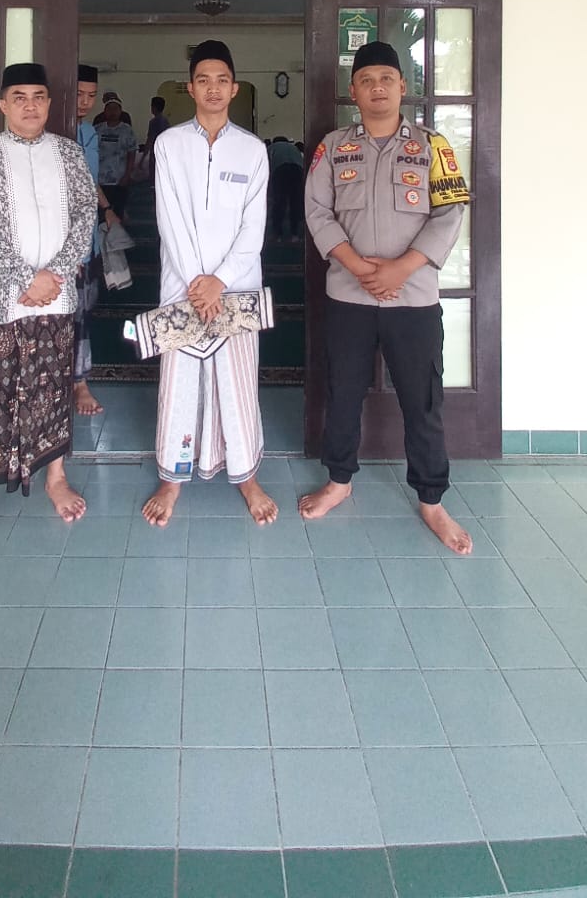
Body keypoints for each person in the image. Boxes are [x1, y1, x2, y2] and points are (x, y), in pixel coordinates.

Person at [301, 40, 473, 555]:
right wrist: (357, 266)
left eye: (386, 79)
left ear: (403, 86)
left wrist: (401, 267)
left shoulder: (432, 146)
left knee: (423, 401)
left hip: (413, 297)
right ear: (353, 91)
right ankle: (339, 481)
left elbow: (450, 212)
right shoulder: (334, 147)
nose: (377, 87)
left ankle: (431, 500)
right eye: (366, 80)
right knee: (343, 392)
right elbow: (317, 210)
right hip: (348, 296)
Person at [0, 63, 97, 545]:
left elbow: (85, 215)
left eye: (38, 96)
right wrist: (25, 278)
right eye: (19, 97)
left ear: (49, 104)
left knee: (52, 388)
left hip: (56, 297)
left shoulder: (69, 154)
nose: (30, 106)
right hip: (2, 300)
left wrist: (53, 276)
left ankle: (55, 478)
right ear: (3, 105)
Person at [142, 39, 277, 528]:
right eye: (204, 80)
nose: (213, 88)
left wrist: (219, 280)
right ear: (191, 88)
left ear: (235, 88)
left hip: (235, 290)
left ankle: (246, 476)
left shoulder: (253, 150)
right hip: (182, 288)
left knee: (237, 386)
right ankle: (172, 478)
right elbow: (170, 218)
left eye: (222, 80)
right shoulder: (169, 144)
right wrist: (199, 283)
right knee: (179, 386)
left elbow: (253, 227)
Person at [74, 63, 113, 416]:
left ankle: (78, 379)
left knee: (85, 312)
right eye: (79, 94)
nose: (85, 102)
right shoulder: (52, 132)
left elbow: (91, 180)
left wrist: (108, 209)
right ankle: (74, 382)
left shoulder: (89, 132)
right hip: (59, 246)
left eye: (91, 95)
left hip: (88, 241)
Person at [95, 92, 137, 220]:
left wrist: (127, 174)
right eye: (109, 109)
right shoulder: (97, 129)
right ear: (104, 111)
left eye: (115, 109)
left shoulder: (127, 130)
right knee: (101, 215)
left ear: (120, 111)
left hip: (119, 180)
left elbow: (132, 153)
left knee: (118, 213)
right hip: (100, 180)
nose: (112, 112)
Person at [269, 135, 304, 240]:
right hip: (298, 170)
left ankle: (278, 234)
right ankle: (295, 234)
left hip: (280, 170)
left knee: (279, 202)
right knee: (295, 202)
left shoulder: (271, 147)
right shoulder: (294, 148)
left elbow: (265, 165)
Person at [144, 94, 170, 184]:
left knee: (154, 176)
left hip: (155, 152)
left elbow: (150, 139)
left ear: (154, 107)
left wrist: (143, 156)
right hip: (165, 151)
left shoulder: (154, 122)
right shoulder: (166, 121)